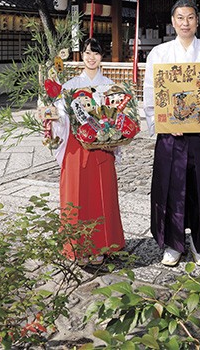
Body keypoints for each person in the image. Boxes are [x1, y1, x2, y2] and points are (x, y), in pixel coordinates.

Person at [143, 0, 200, 267]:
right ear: (173, 22)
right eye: (180, 18)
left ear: (198, 21)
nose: (185, 23)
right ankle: (173, 243)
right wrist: (166, 122)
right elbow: (151, 93)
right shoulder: (159, 54)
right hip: (172, 136)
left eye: (191, 17)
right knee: (170, 188)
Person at [51, 37, 125, 265]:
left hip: (101, 146)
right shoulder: (70, 86)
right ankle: (77, 247)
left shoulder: (110, 86)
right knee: (76, 196)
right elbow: (61, 118)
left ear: (103, 56)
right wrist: (50, 113)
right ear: (81, 56)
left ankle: (101, 245)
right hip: (76, 147)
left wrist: (115, 138)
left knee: (101, 195)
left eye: (96, 52)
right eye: (87, 52)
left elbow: (119, 117)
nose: (91, 57)